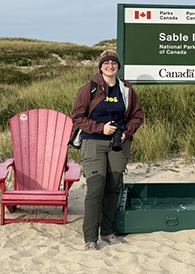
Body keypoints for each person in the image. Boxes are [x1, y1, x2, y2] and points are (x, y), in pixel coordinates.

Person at [71, 50, 144, 251]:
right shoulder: (89, 89)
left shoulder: (126, 90)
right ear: (100, 66)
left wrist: (126, 132)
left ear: (118, 67)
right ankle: (90, 239)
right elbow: (77, 117)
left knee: (113, 188)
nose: (110, 65)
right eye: (106, 62)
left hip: (118, 144)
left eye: (114, 63)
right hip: (93, 142)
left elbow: (138, 116)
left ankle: (107, 233)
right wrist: (100, 128)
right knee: (95, 189)